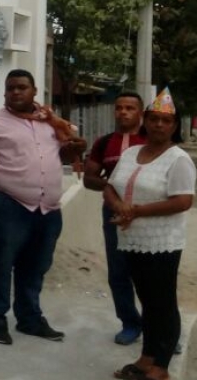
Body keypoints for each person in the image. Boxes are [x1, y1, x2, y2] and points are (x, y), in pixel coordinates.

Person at [0, 69, 86, 345]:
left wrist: (76, 148)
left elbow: (66, 153)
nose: (16, 92)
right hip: (6, 202)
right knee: (0, 261)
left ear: (35, 91)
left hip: (47, 209)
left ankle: (29, 318)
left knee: (36, 266)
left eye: (22, 87)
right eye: (10, 88)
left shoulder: (50, 122)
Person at [104, 88, 195, 380]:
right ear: (146, 121)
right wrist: (118, 205)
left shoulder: (178, 159)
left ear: (174, 126)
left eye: (165, 121)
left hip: (161, 243)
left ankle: (161, 366)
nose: (158, 125)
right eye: (153, 119)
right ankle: (146, 358)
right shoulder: (131, 153)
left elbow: (183, 201)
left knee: (162, 302)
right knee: (147, 299)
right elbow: (110, 186)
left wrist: (137, 211)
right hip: (131, 240)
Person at [83, 91, 148, 346]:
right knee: (119, 272)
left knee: (150, 272)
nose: (123, 112)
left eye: (130, 108)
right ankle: (130, 323)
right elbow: (89, 178)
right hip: (112, 213)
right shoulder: (104, 142)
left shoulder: (150, 140)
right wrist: (113, 188)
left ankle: (160, 329)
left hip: (146, 214)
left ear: (140, 113)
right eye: (119, 108)